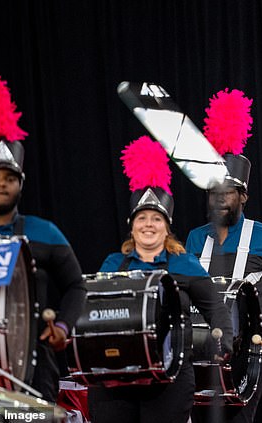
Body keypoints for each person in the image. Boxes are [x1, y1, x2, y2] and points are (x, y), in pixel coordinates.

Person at [0, 72, 86, 401]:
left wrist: (63, 328)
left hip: (36, 370)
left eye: (9, 177)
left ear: (20, 184)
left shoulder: (46, 232)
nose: (1, 183)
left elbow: (76, 285)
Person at [87, 135, 233, 423]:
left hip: (170, 381)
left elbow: (216, 308)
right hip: (116, 379)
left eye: (156, 219)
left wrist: (224, 341)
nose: (149, 225)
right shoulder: (114, 264)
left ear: (167, 227)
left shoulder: (185, 264)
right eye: (142, 219)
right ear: (132, 226)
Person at [186, 89, 262, 422]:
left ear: (243, 196)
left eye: (228, 192)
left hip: (247, 355)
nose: (220, 198)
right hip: (195, 354)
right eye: (213, 191)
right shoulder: (195, 238)